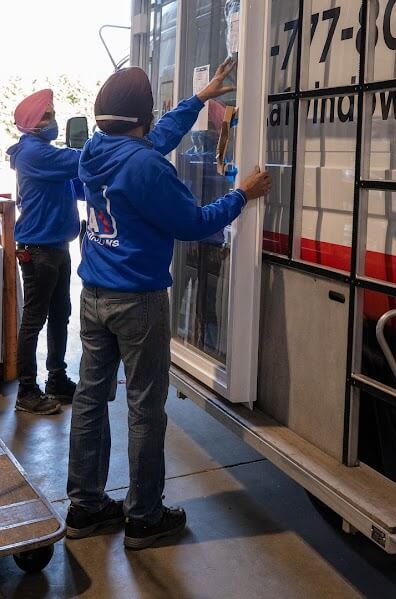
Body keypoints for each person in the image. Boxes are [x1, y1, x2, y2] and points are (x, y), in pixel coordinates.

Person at [66, 60, 271, 550]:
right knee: (145, 409)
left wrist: (200, 99)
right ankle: (143, 517)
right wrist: (240, 195)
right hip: (137, 302)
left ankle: (86, 506)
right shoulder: (147, 167)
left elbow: (154, 139)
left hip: (93, 295)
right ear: (141, 115)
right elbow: (193, 223)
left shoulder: (93, 152)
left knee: (91, 400)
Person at [7, 89, 82, 415]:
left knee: (60, 315)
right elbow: (81, 161)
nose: (55, 122)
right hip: (38, 250)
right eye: (49, 117)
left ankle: (56, 378)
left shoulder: (48, 153)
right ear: (33, 124)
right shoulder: (35, 154)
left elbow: (77, 179)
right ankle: (27, 391)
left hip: (56, 247)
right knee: (35, 319)